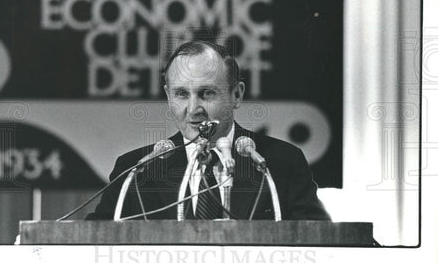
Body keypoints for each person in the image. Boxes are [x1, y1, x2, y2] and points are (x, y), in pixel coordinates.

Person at [86, 40, 330, 221]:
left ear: (237, 95)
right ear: (168, 96)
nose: (193, 109)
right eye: (181, 94)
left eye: (207, 93)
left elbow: (321, 242)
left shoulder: (282, 162)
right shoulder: (136, 170)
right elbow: (93, 242)